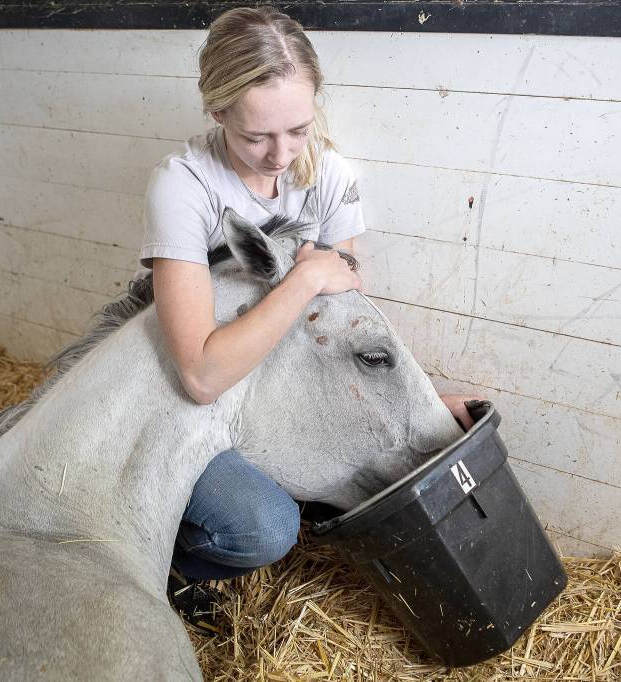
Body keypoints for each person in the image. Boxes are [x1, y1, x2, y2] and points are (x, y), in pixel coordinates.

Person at [139, 6, 479, 632]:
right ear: (217, 112)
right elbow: (201, 376)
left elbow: (342, 330)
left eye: (298, 129)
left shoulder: (328, 175)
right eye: (255, 137)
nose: (280, 155)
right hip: (186, 392)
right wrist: (303, 277)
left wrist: (422, 399)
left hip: (265, 378)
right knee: (263, 527)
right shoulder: (183, 187)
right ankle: (161, 568)